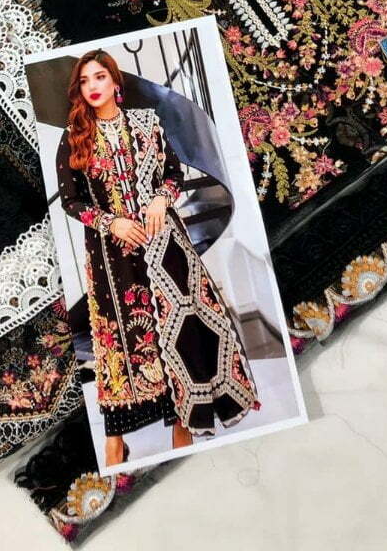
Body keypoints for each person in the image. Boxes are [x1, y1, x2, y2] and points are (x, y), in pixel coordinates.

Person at [55, 49, 260, 467]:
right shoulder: (74, 136)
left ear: (116, 82)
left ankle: (182, 423)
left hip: (164, 243)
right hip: (113, 256)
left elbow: (173, 173)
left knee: (177, 328)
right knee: (122, 340)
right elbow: (71, 201)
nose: (92, 86)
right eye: (84, 80)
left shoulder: (147, 123)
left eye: (100, 77)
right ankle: (115, 439)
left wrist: (161, 199)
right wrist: (111, 222)